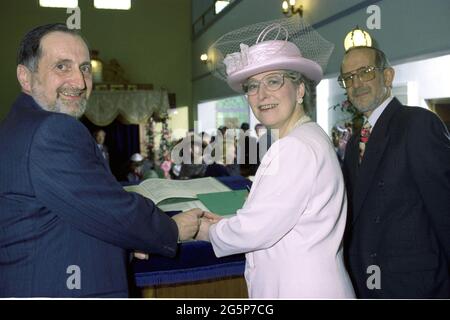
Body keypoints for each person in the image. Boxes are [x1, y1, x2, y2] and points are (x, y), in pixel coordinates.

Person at [0, 23, 206, 298]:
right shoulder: (51, 129)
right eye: (62, 66)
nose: (79, 82)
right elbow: (111, 209)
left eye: (85, 68)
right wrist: (172, 229)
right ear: (26, 77)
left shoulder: (20, 123)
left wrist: (125, 242)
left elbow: (63, 214)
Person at [196, 17, 355, 298]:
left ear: (300, 89)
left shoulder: (295, 147)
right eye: (252, 86)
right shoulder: (307, 135)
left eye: (273, 81)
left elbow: (255, 230)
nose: (261, 95)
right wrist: (225, 222)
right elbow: (277, 215)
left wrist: (203, 230)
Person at [339, 46, 450, 298]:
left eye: (365, 72)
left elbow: (445, 210)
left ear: (387, 77)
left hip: (414, 285)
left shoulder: (417, 124)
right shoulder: (357, 140)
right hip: (366, 280)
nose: (356, 83)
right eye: (348, 77)